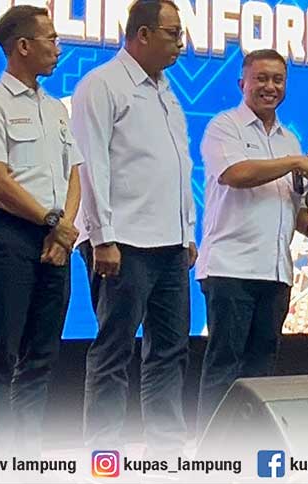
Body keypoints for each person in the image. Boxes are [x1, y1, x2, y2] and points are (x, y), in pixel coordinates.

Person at [71, 0, 196, 454]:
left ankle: (165, 450)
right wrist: (102, 237)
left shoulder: (167, 91)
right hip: (122, 243)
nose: (180, 44)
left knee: (170, 349)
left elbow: (178, 166)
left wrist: (187, 232)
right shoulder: (102, 84)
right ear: (143, 34)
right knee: (114, 349)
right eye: (173, 33)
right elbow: (91, 165)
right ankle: (104, 453)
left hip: (170, 245)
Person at [0, 5, 82, 454]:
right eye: (50, 39)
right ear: (23, 46)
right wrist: (51, 222)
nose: (58, 47)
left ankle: (27, 454)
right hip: (9, 236)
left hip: (56, 240)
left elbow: (74, 173)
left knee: (42, 354)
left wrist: (64, 228)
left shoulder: (56, 109)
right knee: (0, 354)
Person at [195, 49, 308, 433]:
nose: (270, 87)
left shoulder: (289, 139)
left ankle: (251, 445)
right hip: (231, 268)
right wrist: (295, 162)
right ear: (242, 83)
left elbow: (295, 207)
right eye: (261, 78)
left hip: (276, 271)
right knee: (224, 365)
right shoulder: (224, 126)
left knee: (261, 369)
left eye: (278, 79)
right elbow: (235, 174)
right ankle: (214, 450)